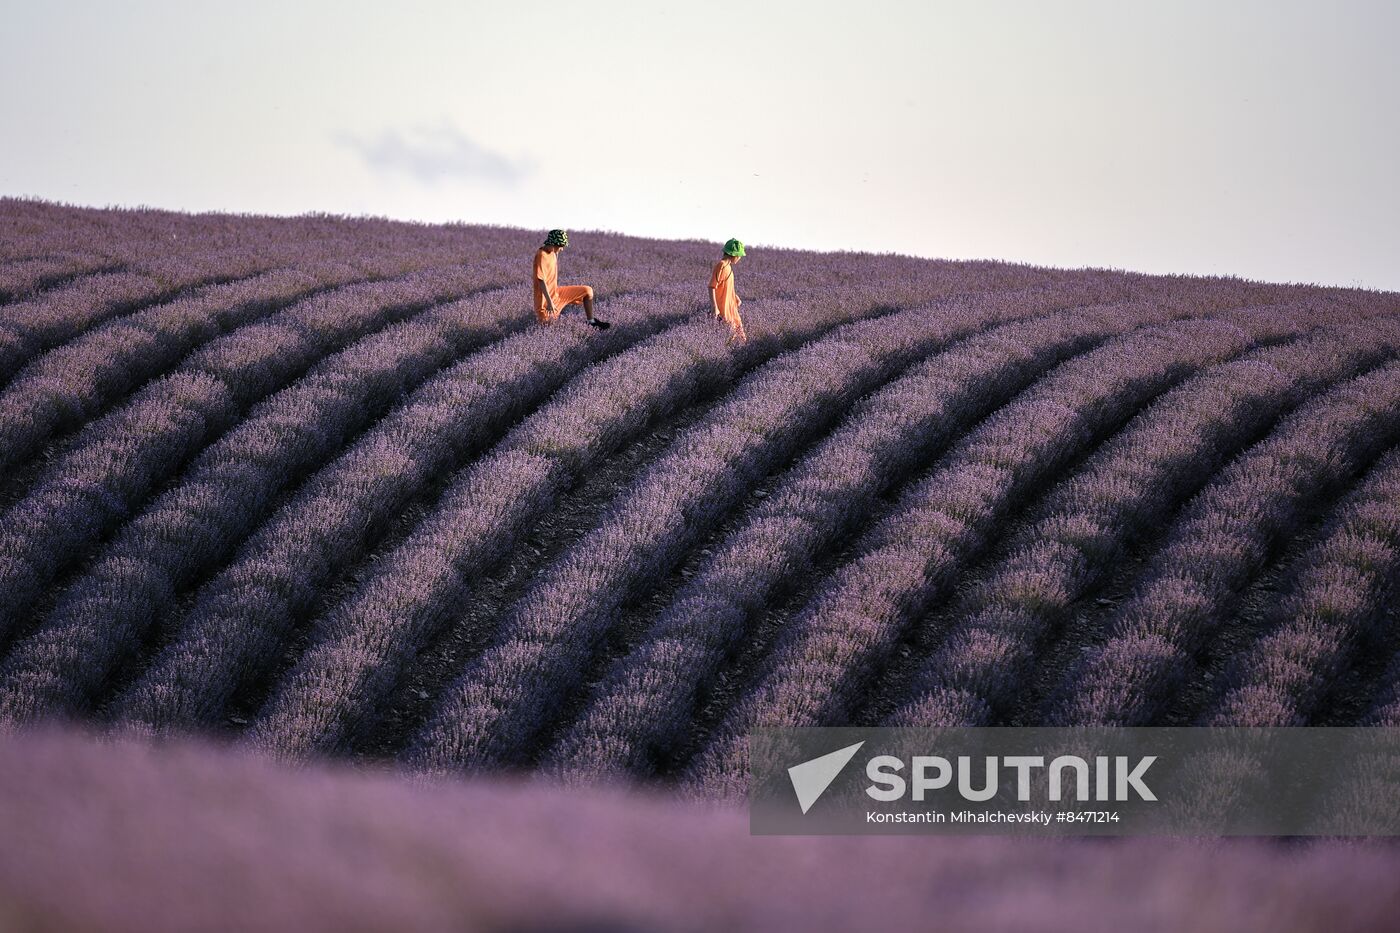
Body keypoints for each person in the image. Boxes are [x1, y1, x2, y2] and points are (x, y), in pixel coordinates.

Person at [534, 229, 609, 329]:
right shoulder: (541, 255)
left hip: (557, 293)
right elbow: (541, 280)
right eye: (561, 246)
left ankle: (591, 322)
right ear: (554, 244)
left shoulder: (553, 253)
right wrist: (550, 302)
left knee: (587, 291)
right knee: (548, 328)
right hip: (545, 301)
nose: (562, 249)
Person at [709, 238, 747, 345]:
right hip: (723, 310)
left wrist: (735, 296)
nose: (739, 258)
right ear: (733, 254)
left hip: (731, 309)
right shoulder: (721, 265)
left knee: (741, 339)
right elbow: (712, 286)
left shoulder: (728, 267)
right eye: (739, 256)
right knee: (730, 341)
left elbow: (725, 285)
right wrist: (714, 307)